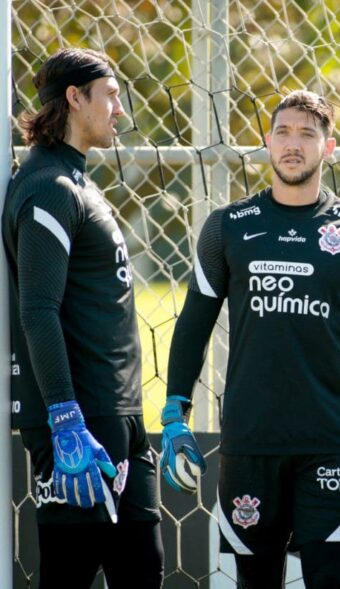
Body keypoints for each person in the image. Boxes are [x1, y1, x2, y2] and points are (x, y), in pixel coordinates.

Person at [159, 90, 340, 589]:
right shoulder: (227, 226)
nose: (294, 144)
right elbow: (193, 323)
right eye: (284, 133)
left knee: (330, 581)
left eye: (307, 134)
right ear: (267, 141)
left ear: (328, 148)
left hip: (331, 442)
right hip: (251, 441)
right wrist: (173, 416)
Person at [3, 48, 163, 588]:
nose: (120, 110)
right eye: (111, 96)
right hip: (81, 420)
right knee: (69, 574)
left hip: (118, 415)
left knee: (142, 571)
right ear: (75, 98)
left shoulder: (78, 181)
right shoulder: (49, 187)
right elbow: (38, 309)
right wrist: (65, 418)